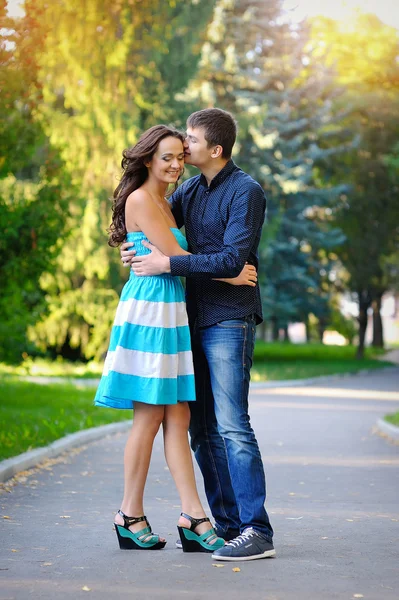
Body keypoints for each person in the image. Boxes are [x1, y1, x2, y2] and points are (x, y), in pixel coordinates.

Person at [121, 108, 275, 562]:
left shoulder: (246, 192)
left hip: (229, 319)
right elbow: (160, 229)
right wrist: (134, 247)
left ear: (216, 149)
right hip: (186, 319)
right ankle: (227, 526)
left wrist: (168, 264)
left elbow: (231, 260)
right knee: (202, 430)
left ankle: (256, 529)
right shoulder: (190, 190)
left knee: (232, 426)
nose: (184, 148)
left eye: (190, 139)